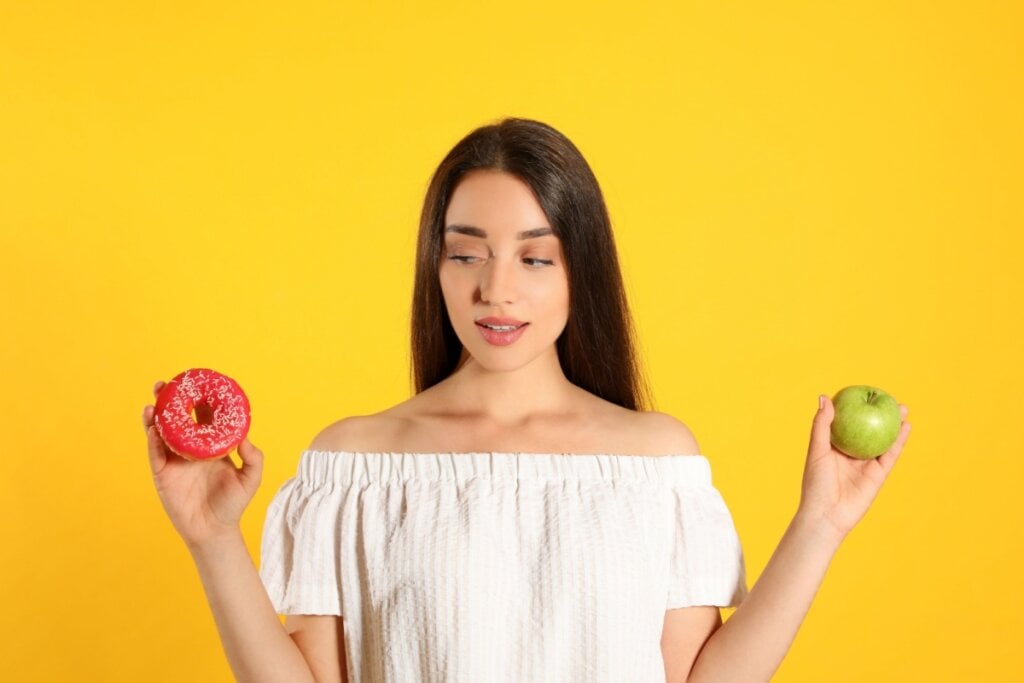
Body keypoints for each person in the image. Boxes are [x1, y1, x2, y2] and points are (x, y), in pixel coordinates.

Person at [141, 117, 912, 683]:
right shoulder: (357, 463)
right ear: (433, 267)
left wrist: (821, 522)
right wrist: (212, 538)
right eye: (466, 251)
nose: (495, 289)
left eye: (535, 256)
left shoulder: (654, 462)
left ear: (582, 268)